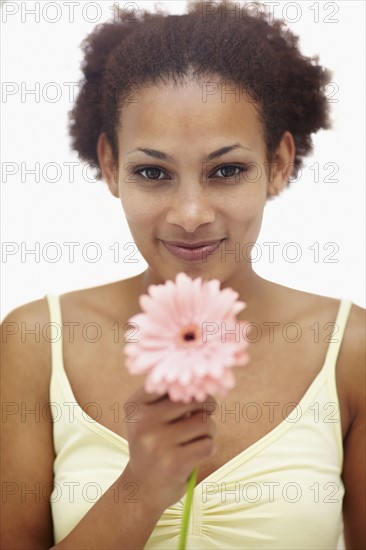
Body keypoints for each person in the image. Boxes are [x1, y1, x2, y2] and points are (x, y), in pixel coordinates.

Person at [1, 1, 365, 548]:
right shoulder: (35, 341)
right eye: (153, 172)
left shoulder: (351, 350)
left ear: (280, 164)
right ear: (109, 166)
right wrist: (139, 489)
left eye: (227, 170)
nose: (190, 214)